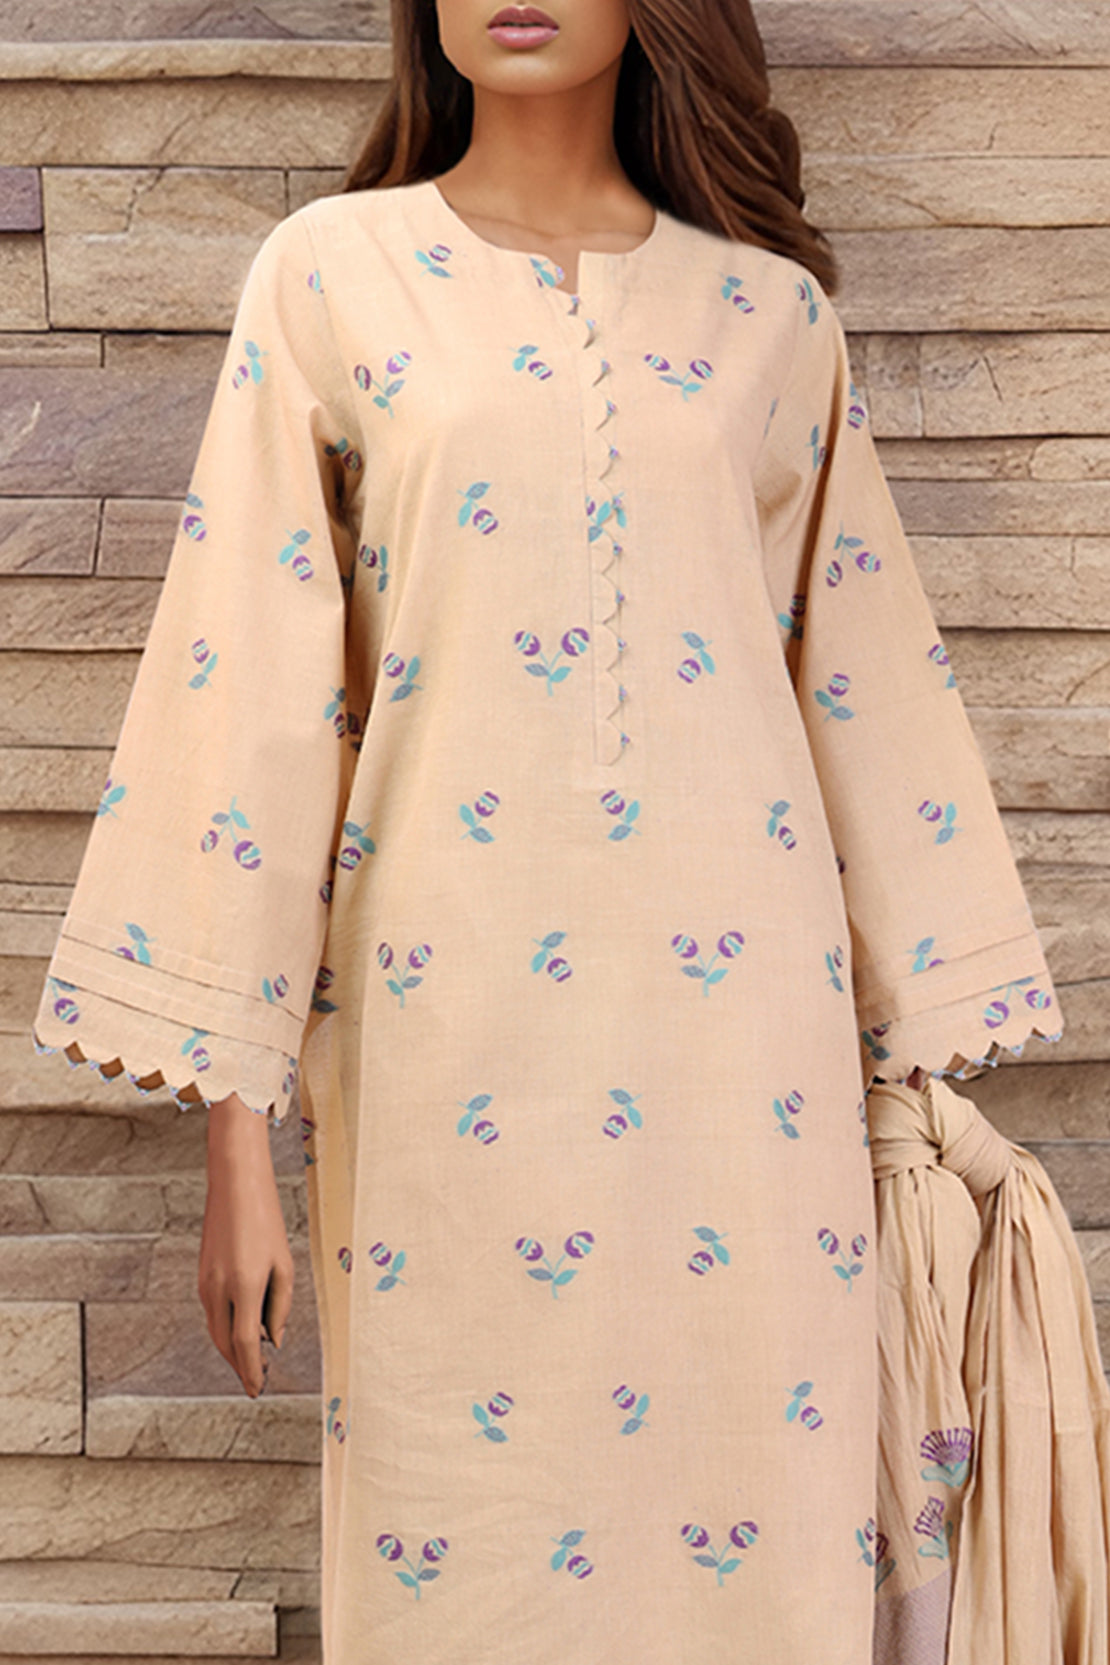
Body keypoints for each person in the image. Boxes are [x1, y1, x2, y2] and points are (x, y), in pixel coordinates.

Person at [31, 1, 1066, 1659]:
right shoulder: (330, 277)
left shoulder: (769, 317)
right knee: (455, 1522)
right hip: (443, 1046)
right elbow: (251, 701)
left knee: (761, 1522)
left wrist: (918, 1057)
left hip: (745, 1069)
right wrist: (237, 1139)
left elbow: (858, 684)